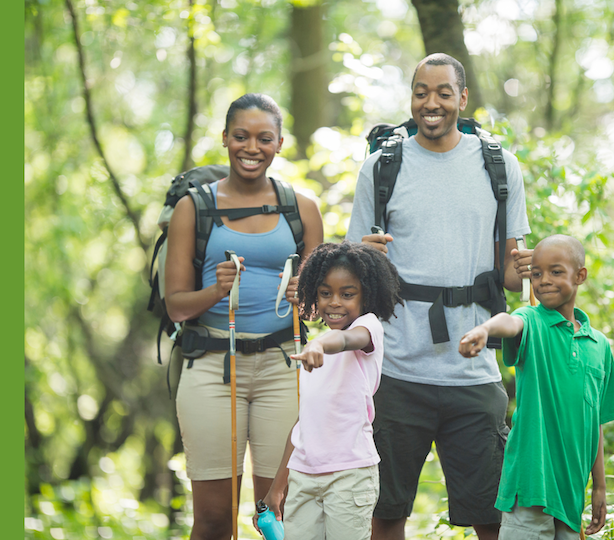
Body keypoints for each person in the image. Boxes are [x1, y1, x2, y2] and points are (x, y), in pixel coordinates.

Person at [346, 53, 532, 540]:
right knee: (386, 514)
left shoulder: (499, 166)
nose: (432, 103)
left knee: (490, 516)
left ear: (462, 98)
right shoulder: (381, 166)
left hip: (474, 372)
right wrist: (362, 258)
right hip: (396, 368)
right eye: (421, 92)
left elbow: (512, 277)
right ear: (411, 99)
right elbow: (351, 275)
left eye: (443, 92)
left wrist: (530, 266)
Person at [165, 92, 324, 540]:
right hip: (212, 369)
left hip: (284, 366)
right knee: (214, 521)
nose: (251, 148)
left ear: (278, 144)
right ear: (225, 139)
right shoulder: (193, 209)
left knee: (280, 516)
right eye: (241, 136)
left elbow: (324, 306)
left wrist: (304, 297)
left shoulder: (303, 209)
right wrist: (215, 290)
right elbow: (175, 304)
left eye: (263, 138)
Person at [458, 235, 614, 540]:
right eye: (536, 274)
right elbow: (509, 322)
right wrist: (484, 329)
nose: (544, 280)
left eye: (556, 271)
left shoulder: (599, 345)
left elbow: (595, 422)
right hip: (531, 487)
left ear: (580, 275)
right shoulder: (531, 320)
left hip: (572, 495)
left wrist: (599, 486)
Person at [255, 242, 404, 540]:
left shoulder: (367, 328)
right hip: (304, 477)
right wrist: (276, 488)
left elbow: (348, 340)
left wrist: (319, 344)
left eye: (347, 294)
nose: (335, 302)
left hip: (350, 475)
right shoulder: (315, 352)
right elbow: (303, 427)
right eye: (325, 293)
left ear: (367, 295)